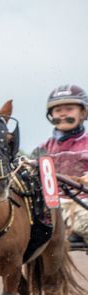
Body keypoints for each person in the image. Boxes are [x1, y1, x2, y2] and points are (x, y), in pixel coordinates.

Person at [32, 84, 88, 241]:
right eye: (58, 110)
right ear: (51, 115)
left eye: (69, 109)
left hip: (82, 205)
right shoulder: (43, 149)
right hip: (50, 208)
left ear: (83, 112)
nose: (63, 114)